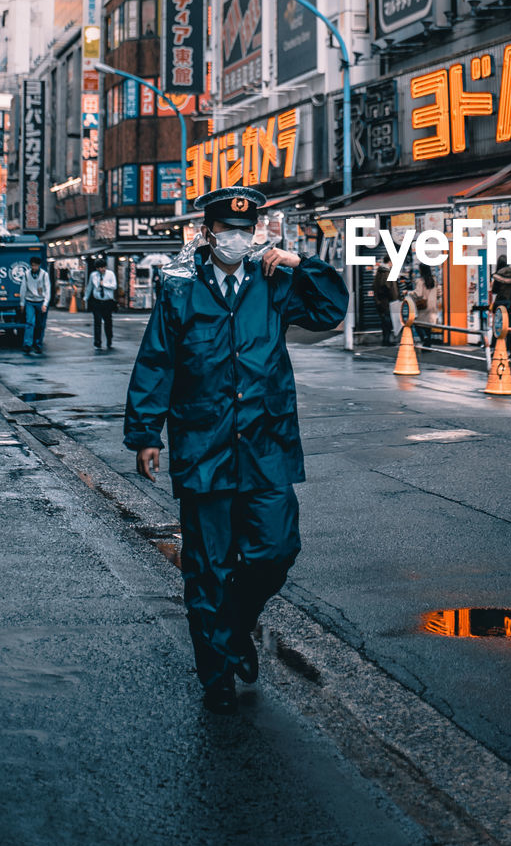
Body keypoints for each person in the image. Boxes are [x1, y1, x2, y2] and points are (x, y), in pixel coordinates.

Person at [124, 186, 348, 715]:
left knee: (277, 550)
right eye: (228, 230)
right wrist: (144, 433)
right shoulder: (180, 288)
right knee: (207, 568)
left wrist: (297, 258)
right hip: (204, 446)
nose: (238, 239)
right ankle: (217, 673)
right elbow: (157, 360)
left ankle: (235, 627)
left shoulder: (275, 282)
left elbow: (330, 310)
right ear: (208, 233)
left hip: (266, 444)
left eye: (247, 231)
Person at [490, 254, 511, 357]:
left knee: (498, 326)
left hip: (501, 304)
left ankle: (495, 349)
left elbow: (495, 290)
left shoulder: (498, 275)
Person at [84, 258, 117, 351]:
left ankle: (109, 340)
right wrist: (86, 298)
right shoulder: (93, 275)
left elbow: (114, 286)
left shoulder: (110, 274)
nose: (102, 269)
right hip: (97, 301)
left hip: (107, 301)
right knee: (97, 322)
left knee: (108, 322)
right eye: (99, 268)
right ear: (97, 268)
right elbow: (89, 286)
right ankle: (97, 343)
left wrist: (104, 284)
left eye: (103, 267)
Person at [19, 254, 49, 356]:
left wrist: (45, 303)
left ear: (39, 265)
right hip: (30, 301)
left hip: (41, 302)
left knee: (40, 325)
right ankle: (27, 344)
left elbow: (48, 290)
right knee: (30, 322)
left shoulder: (44, 275)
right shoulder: (27, 274)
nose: (34, 267)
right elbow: (23, 289)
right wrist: (22, 303)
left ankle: (38, 345)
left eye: (36, 265)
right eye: (32, 265)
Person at [372, 255, 398, 346]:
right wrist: (393, 297)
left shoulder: (380, 271)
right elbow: (386, 286)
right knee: (387, 321)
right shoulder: (386, 272)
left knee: (385, 321)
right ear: (390, 261)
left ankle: (386, 340)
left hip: (381, 301)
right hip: (386, 301)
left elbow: (375, 286)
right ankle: (386, 341)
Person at [412, 262, 438, 347]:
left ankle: (424, 339)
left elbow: (418, 294)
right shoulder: (434, 280)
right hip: (432, 305)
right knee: (428, 325)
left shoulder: (420, 281)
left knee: (417, 324)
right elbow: (439, 292)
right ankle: (428, 344)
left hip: (423, 305)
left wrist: (410, 293)